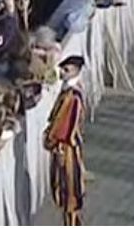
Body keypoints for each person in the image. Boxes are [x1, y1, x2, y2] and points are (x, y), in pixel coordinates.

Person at [45, 55, 88, 226]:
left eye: (66, 70)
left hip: (66, 149)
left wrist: (52, 139)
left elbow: (65, 126)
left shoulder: (73, 96)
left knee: (69, 191)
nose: (62, 73)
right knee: (65, 192)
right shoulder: (68, 91)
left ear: (76, 71)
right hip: (65, 148)